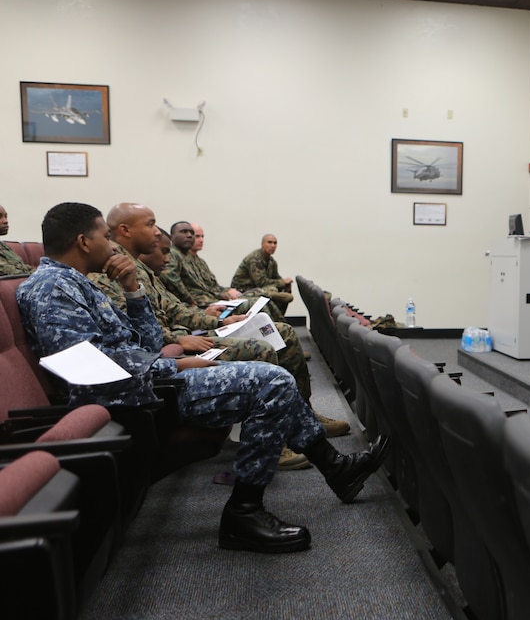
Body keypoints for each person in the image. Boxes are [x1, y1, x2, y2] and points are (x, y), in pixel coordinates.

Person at [18, 202, 386, 554]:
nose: (111, 244)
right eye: (104, 236)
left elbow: (143, 343)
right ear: (84, 241)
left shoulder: (79, 282)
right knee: (272, 382)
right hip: (129, 398)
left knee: (273, 379)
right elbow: (91, 371)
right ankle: (243, 513)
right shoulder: (52, 289)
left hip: (145, 381)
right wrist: (173, 367)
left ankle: (334, 468)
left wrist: (134, 290)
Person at [91, 204, 349, 465]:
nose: (158, 233)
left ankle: (304, 414)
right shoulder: (118, 269)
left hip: (182, 337)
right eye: (150, 224)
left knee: (278, 331)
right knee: (263, 349)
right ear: (124, 230)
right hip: (170, 353)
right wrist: (179, 338)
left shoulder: (135, 266)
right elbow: (138, 332)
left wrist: (220, 318)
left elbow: (172, 307)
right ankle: (276, 442)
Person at [166, 221, 286, 322]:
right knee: (256, 304)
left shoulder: (196, 260)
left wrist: (226, 294)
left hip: (214, 299)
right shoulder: (173, 254)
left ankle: (281, 331)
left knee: (262, 298)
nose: (189, 236)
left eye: (192, 233)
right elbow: (172, 280)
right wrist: (191, 302)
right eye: (184, 232)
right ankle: (278, 337)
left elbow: (212, 286)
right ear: (172, 236)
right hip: (202, 305)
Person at [231, 234, 294, 316]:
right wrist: (282, 282)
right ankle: (275, 318)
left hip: (258, 289)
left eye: (275, 243)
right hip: (243, 290)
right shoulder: (255, 258)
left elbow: (276, 277)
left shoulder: (271, 261)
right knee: (276, 291)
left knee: (285, 294)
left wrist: (286, 284)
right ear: (262, 244)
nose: (273, 245)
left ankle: (278, 318)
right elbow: (261, 282)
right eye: (269, 242)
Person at [0, 204, 35, 276]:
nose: (6, 221)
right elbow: (10, 272)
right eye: (0, 217)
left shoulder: (4, 247)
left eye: (6, 217)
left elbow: (23, 267)